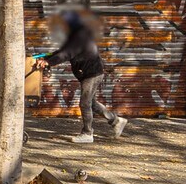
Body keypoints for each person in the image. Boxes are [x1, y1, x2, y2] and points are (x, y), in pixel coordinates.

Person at [41, 8, 128, 144]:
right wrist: (47, 57)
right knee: (91, 103)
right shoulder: (75, 35)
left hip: (92, 74)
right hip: (89, 73)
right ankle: (116, 121)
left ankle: (87, 133)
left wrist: (48, 62)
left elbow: (67, 54)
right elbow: (62, 51)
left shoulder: (79, 36)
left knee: (85, 103)